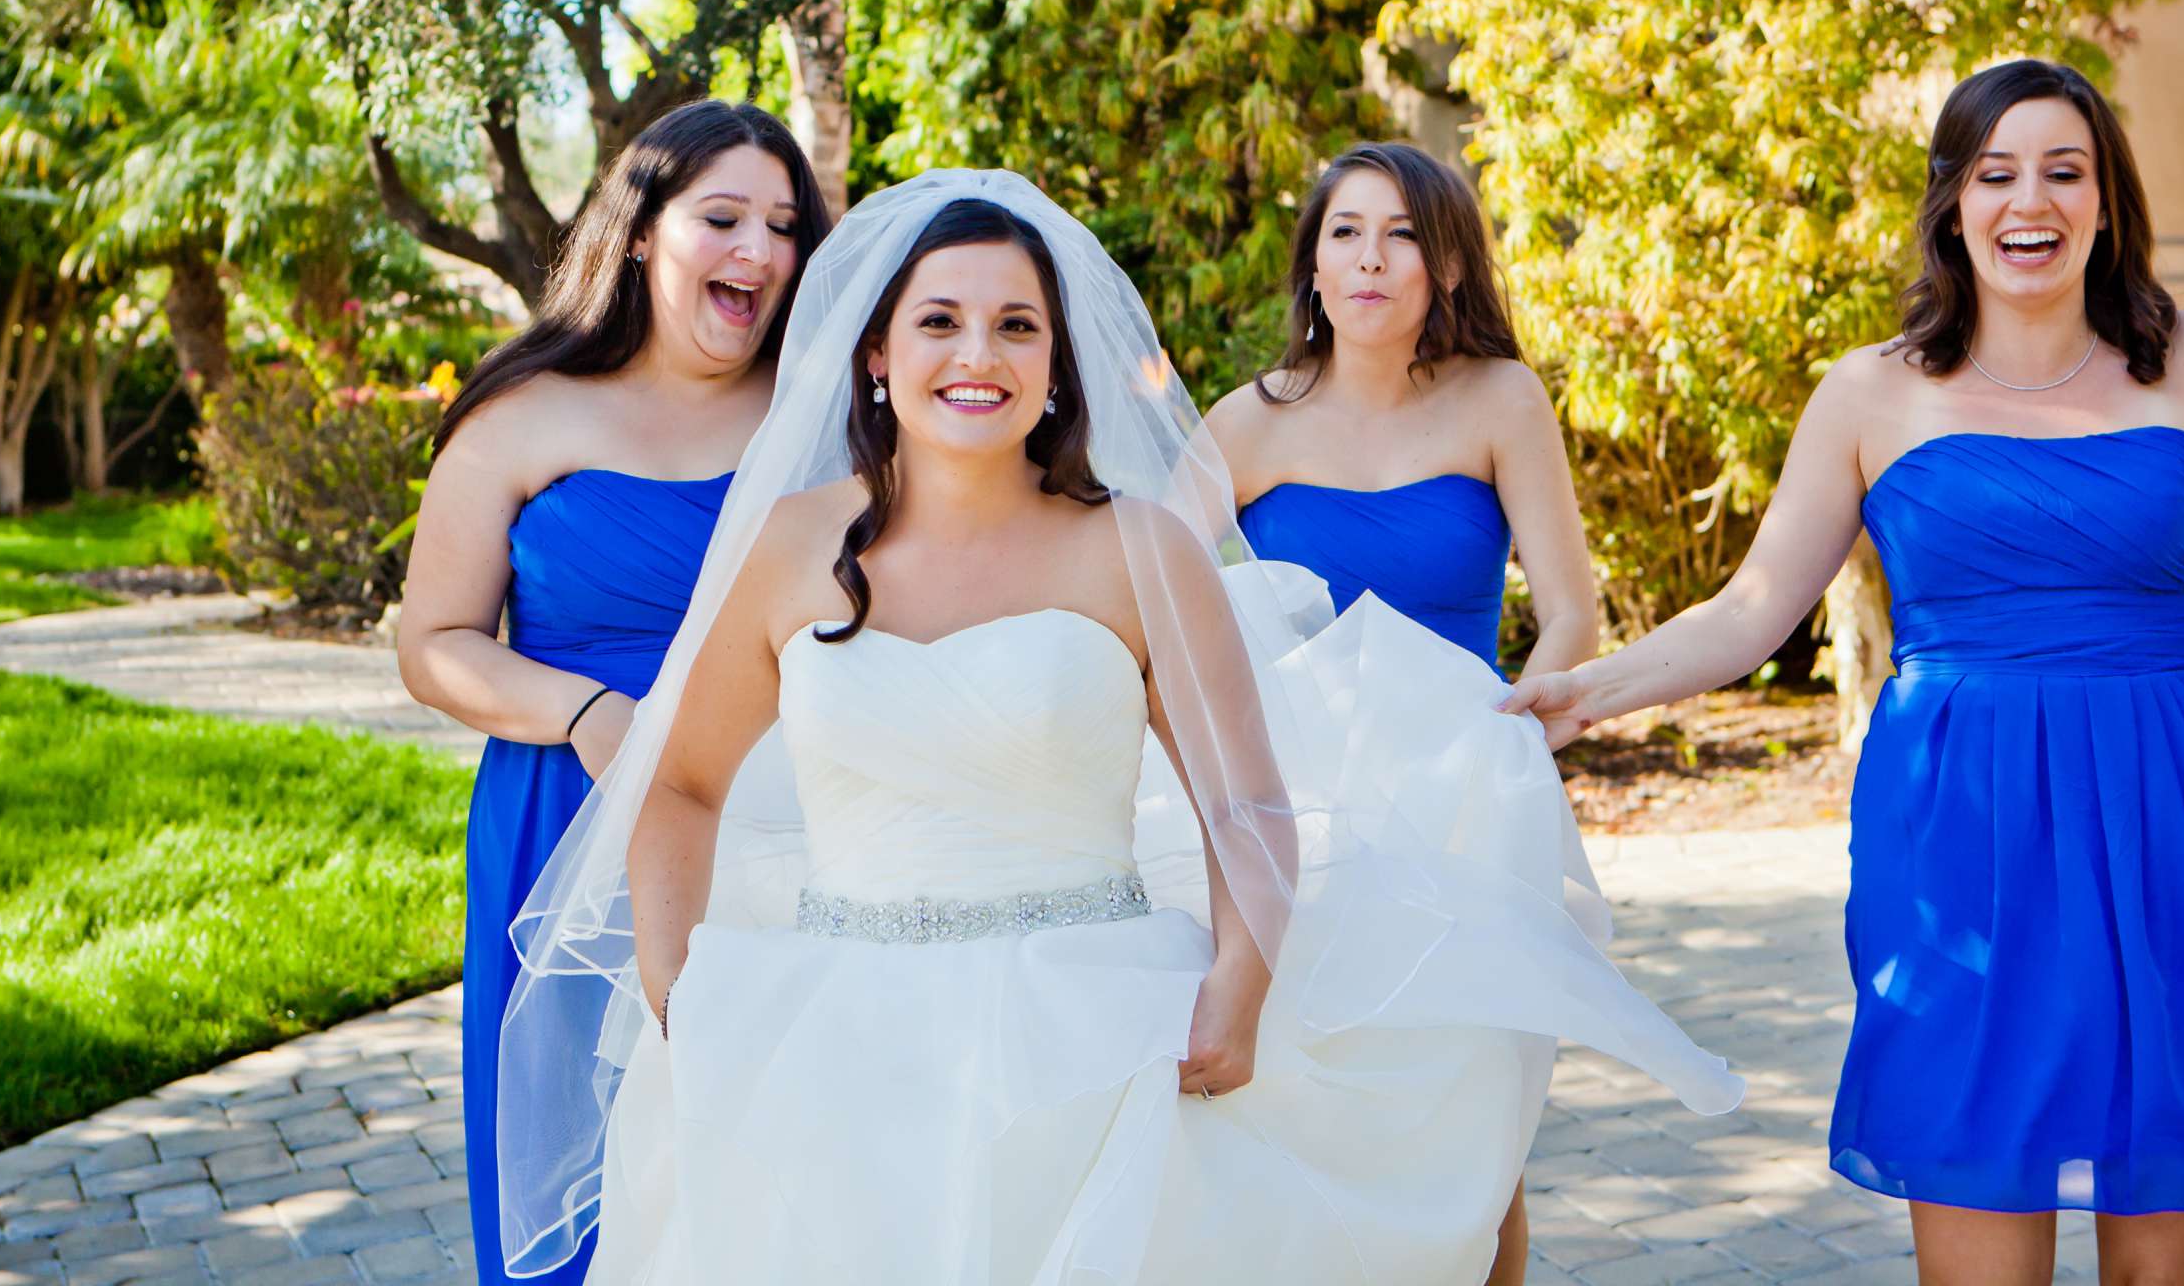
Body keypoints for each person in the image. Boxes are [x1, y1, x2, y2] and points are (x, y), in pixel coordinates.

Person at [495, 170, 1741, 1285]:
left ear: (1055, 367)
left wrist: (1241, 984)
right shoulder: (790, 547)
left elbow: (1242, 804)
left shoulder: (1138, 547)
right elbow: (686, 788)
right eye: (939, 320)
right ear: (877, 353)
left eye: (1015, 325)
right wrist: (684, 993)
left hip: (1095, 1038)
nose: (976, 351)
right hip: (838, 1040)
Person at [1502, 59, 2184, 1286]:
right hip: (1960, 835)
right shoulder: (1873, 391)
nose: (2032, 200)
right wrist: (1590, 690)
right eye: (1997, 173)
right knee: (1976, 1240)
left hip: (2174, 816)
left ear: (2107, 200)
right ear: (1954, 205)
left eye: (2065, 170)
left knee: (2167, 1252)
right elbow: (1756, 605)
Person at [396, 99, 828, 1286]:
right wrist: (587, 714)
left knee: (763, 1166)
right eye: (723, 217)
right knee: (577, 1160)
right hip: (563, 817)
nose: (759, 252)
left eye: (784, 227)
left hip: (777, 819)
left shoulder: (822, 420)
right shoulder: (524, 411)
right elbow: (431, 641)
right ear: (642, 232)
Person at [1208, 141, 1601, 1282]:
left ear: (1444, 267)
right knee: (1308, 1114)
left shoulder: (1499, 399)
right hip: (1301, 824)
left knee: (1476, 1135)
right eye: (1346, 233)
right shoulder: (1250, 422)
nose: (1371, 259)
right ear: (1313, 266)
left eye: (1401, 236)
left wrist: (1521, 731)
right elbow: (1146, 596)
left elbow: (1571, 611)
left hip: (1465, 813)